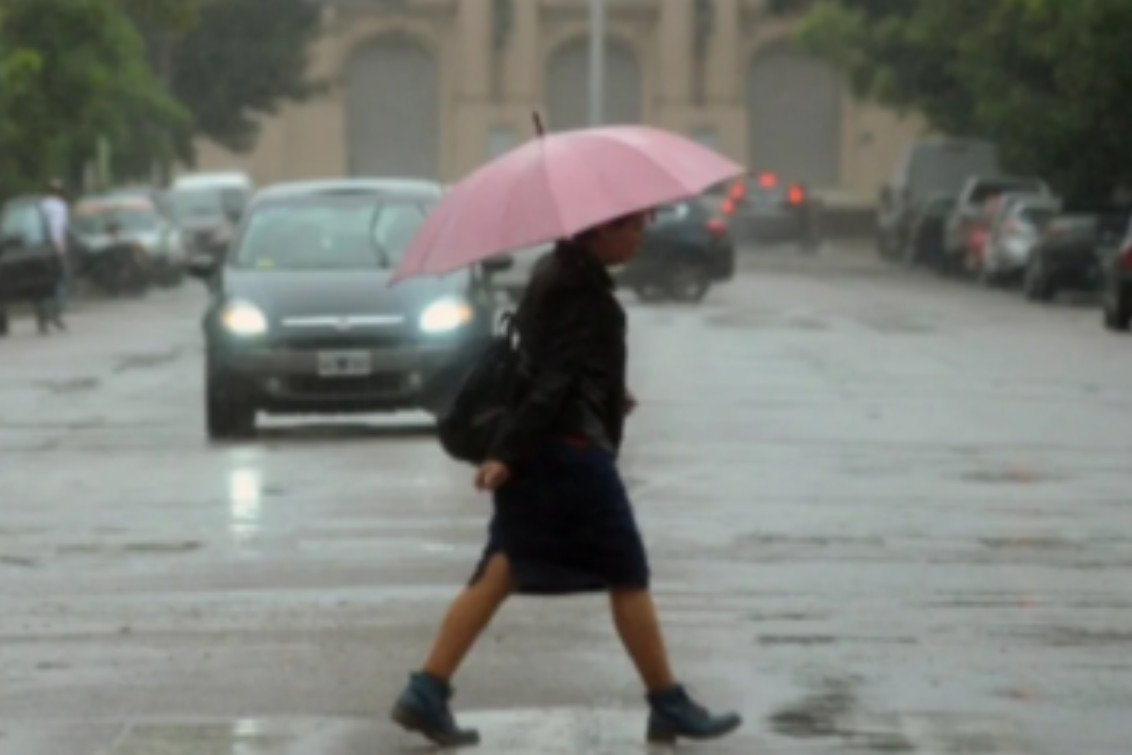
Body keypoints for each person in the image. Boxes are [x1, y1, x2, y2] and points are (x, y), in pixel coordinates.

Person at [391, 212, 743, 748]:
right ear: (597, 230)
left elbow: (557, 368)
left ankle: (427, 691)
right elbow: (552, 381)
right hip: (567, 457)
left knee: (500, 571)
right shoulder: (579, 289)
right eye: (630, 226)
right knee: (627, 572)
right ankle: (668, 703)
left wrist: (604, 395)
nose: (640, 235)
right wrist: (508, 451)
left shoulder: (557, 272)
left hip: (546, 450)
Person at [38, 179, 69, 332]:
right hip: (53, 248)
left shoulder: (41, 205)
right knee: (61, 280)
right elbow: (57, 229)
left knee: (40, 283)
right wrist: (60, 250)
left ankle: (42, 318)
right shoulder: (59, 206)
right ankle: (55, 313)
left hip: (37, 248)